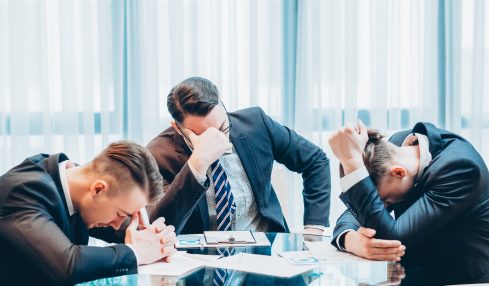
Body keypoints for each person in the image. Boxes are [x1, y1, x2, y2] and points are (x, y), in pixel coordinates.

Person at [146, 77, 331, 235]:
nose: (218, 138)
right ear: (177, 128)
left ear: (223, 106)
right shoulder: (158, 155)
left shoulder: (256, 124)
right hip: (199, 263)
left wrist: (314, 229)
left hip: (265, 254)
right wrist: (197, 164)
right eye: (204, 135)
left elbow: (315, 161)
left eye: (222, 128)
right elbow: (158, 226)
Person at [329, 121, 489, 284]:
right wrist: (352, 241)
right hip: (410, 274)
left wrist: (352, 162)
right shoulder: (394, 149)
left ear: (398, 172)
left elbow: (393, 238)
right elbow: (358, 207)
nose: (381, 207)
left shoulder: (460, 168)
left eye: (383, 200)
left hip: (460, 279)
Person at [0, 141, 177, 285]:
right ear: (98, 189)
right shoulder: (23, 193)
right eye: (121, 213)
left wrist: (149, 237)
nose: (118, 223)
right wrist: (137, 252)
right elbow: (68, 266)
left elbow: (116, 228)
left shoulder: (72, 181)